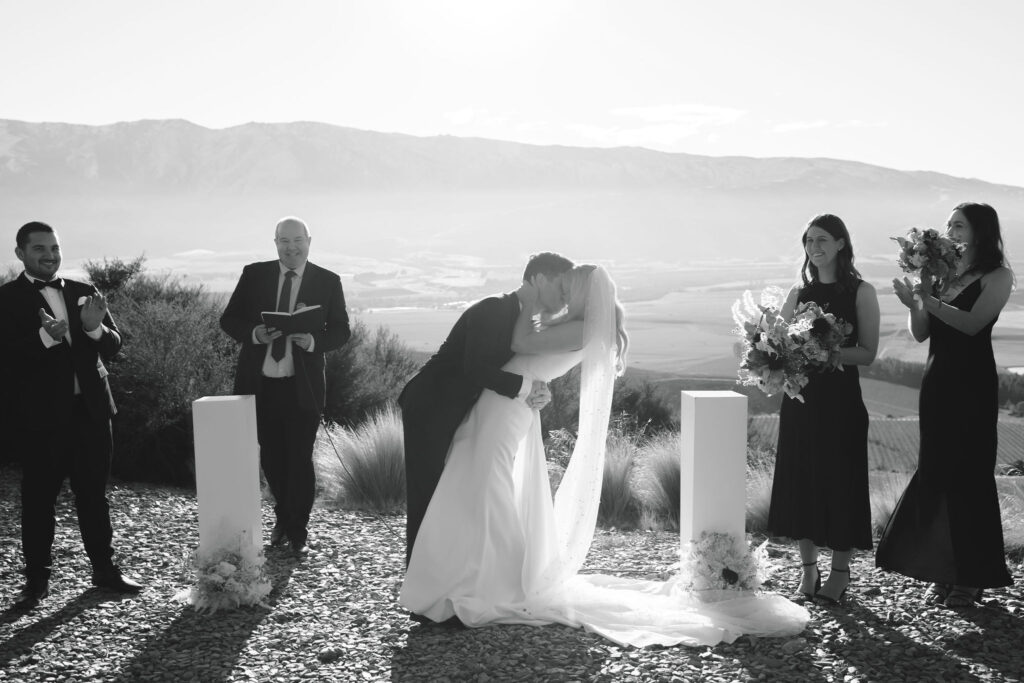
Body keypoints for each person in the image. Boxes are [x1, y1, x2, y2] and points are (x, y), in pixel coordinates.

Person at [400, 264, 809, 647]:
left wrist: (531, 301)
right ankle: (467, 576)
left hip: (505, 410)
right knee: (477, 487)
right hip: (502, 405)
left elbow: (522, 342)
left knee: (487, 489)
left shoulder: (580, 328)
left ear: (581, 294)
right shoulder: (574, 325)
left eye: (566, 287)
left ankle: (492, 583)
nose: (560, 292)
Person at [876, 202, 1014, 606]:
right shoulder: (941, 274)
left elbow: (972, 326)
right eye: (949, 224)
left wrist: (930, 301)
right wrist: (915, 301)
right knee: (936, 471)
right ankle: (943, 567)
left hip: (972, 384)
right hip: (936, 382)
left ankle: (971, 577)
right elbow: (921, 332)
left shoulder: (998, 275)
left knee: (969, 474)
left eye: (959, 224)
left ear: (980, 232)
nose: (951, 230)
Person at [1, 221, 143, 610]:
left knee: (94, 495)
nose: (49, 255)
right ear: (20, 254)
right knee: (38, 500)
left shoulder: (83, 291)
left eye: (55, 248)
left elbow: (114, 345)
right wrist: (46, 337)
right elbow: (7, 359)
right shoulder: (6, 300)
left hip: (93, 412)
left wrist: (95, 330)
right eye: (39, 249)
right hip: (42, 419)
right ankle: (36, 581)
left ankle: (104, 569)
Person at [398, 252, 573, 564]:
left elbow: (518, 366)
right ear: (539, 279)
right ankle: (420, 589)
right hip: (431, 407)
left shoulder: (528, 322)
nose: (565, 296)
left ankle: (446, 579)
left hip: (461, 412)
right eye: (561, 286)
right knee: (428, 494)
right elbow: (475, 368)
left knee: (449, 495)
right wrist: (524, 388)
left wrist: (540, 391)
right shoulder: (493, 308)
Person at [766, 214, 880, 606]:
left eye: (823, 240)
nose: (814, 248)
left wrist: (826, 351)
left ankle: (841, 573)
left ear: (841, 244)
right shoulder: (797, 293)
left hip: (842, 405)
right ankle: (809, 570)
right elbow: (778, 344)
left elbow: (868, 353)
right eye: (809, 241)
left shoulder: (862, 291)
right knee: (802, 484)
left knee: (841, 484)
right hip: (801, 404)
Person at [220, 216, 351, 555]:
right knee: (273, 458)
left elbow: (341, 331)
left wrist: (311, 340)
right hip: (261, 384)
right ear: (275, 242)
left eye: (298, 241)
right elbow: (229, 319)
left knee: (300, 458)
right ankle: (282, 515)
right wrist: (255, 333)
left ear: (309, 240)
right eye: (284, 241)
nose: (291, 248)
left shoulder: (327, 281)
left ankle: (297, 528)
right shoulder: (255, 275)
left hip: (302, 386)